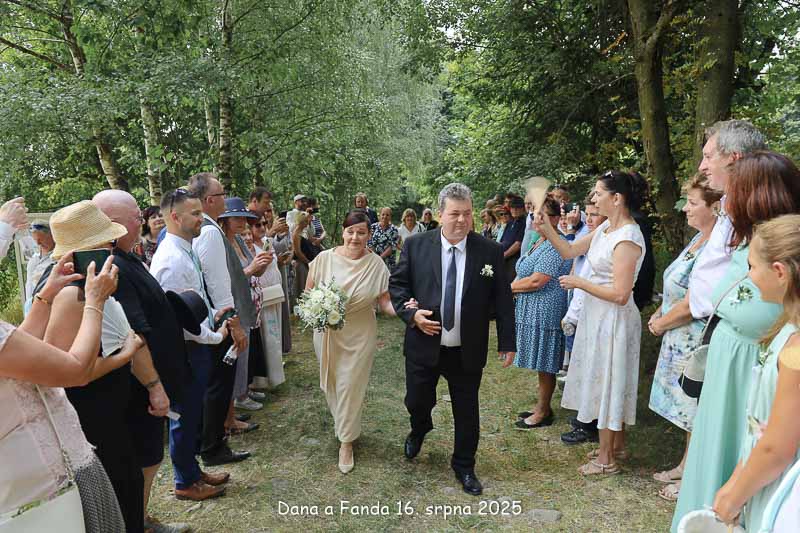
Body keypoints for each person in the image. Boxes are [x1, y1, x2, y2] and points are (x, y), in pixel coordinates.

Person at [671, 151, 800, 531]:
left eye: (733, 190)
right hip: (729, 362)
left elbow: (775, 445)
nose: (725, 200)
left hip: (748, 368)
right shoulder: (753, 240)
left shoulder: (780, 247)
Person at [389, 182, 516, 496]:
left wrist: (507, 342)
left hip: (466, 348)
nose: (462, 220)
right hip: (424, 343)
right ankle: (420, 427)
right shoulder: (416, 245)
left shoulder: (490, 251)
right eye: (455, 214)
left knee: (467, 410)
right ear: (441, 213)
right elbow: (398, 287)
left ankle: (464, 466)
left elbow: (503, 299)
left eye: (467, 214)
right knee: (416, 400)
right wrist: (412, 315)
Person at [0, 249, 134, 533]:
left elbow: (16, 352)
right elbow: (76, 370)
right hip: (41, 496)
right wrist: (95, 302)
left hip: (47, 476)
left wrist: (46, 296)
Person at [42, 201, 147, 532]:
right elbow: (64, 373)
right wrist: (123, 355)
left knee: (128, 488)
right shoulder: (71, 296)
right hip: (93, 418)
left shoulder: (88, 288)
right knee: (121, 496)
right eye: (105, 243)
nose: (111, 249)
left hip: (108, 411)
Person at [536, 170, 648, 476]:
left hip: (614, 320)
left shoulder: (627, 238)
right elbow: (571, 250)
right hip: (597, 315)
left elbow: (621, 294)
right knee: (604, 380)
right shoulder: (606, 229)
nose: (593, 198)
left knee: (609, 383)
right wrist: (547, 229)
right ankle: (617, 447)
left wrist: (579, 283)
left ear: (617, 198)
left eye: (598, 193)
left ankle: (606, 460)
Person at [93, 190, 193, 531]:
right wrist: (154, 386)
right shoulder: (114, 268)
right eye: (137, 216)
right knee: (145, 459)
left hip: (149, 383)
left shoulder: (126, 258)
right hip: (138, 389)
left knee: (149, 457)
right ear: (115, 225)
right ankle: (138, 522)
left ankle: (141, 518)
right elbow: (133, 335)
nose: (145, 221)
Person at [711, 214, 800, 530]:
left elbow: (777, 447)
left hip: (784, 491)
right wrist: (740, 475)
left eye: (751, 266)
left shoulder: (796, 351)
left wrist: (733, 496)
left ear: (780, 272)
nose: (747, 276)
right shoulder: (788, 328)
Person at [150, 188, 234, 503]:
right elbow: (181, 321)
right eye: (196, 214)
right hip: (185, 351)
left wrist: (214, 315)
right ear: (175, 217)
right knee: (184, 417)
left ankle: (193, 471)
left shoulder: (184, 249)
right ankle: (185, 480)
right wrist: (216, 336)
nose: (202, 218)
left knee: (193, 412)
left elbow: (195, 299)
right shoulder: (172, 260)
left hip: (197, 345)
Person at [647, 175, 722, 502]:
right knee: (686, 411)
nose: (685, 209)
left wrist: (661, 324)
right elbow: (677, 288)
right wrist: (660, 312)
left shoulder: (716, 247)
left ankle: (692, 477)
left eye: (693, 203)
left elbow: (694, 303)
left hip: (694, 338)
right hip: (676, 333)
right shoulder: (698, 239)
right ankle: (684, 464)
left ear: (715, 207)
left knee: (695, 410)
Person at [306, 210, 396, 473]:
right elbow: (308, 293)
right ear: (343, 232)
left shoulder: (376, 265)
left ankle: (346, 442)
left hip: (360, 334)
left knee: (350, 385)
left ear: (369, 235)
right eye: (351, 231)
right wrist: (318, 309)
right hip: (327, 334)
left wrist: (406, 311)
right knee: (333, 384)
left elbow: (385, 303)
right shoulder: (323, 259)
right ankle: (345, 426)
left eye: (361, 232)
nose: (355, 237)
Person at [186, 173, 254, 467]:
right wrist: (233, 321)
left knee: (217, 383)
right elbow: (216, 282)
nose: (226, 199)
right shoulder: (210, 232)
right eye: (222, 194)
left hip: (215, 319)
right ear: (209, 200)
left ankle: (212, 439)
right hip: (221, 321)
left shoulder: (207, 228)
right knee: (219, 383)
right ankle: (213, 446)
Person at [509, 195, 573, 429]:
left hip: (546, 309)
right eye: (535, 215)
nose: (537, 219)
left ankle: (543, 411)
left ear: (555, 219)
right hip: (533, 308)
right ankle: (541, 406)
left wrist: (506, 289)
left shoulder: (556, 244)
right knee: (540, 362)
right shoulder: (539, 240)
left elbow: (538, 280)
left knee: (545, 362)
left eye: (542, 215)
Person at [217, 198, 271, 416]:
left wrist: (262, 264)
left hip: (247, 301)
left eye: (244, 218)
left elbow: (253, 271)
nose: (242, 222)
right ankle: (237, 397)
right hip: (233, 304)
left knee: (246, 349)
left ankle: (244, 390)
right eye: (236, 218)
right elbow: (225, 279)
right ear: (225, 220)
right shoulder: (221, 244)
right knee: (237, 350)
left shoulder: (239, 240)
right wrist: (251, 269)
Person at [245, 216, 285, 389]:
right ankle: (262, 378)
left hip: (275, 292)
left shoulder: (267, 242)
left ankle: (276, 375)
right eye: (257, 225)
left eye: (264, 224)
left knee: (275, 335)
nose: (262, 227)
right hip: (262, 295)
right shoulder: (249, 248)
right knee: (266, 337)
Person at [24, 221, 55, 303]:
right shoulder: (34, 259)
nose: (38, 243)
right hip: (32, 303)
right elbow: (29, 284)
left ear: (52, 236)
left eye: (41, 239)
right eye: (35, 240)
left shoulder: (58, 257)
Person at [291, 212, 316, 308]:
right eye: (305, 221)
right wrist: (308, 262)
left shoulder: (303, 232)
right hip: (301, 264)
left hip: (306, 262)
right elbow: (297, 252)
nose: (307, 223)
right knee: (301, 286)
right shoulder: (296, 234)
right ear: (300, 222)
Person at [499, 196, 526, 281]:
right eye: (512, 208)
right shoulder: (510, 222)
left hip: (514, 259)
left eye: (517, 208)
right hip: (504, 258)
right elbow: (502, 240)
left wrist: (504, 255)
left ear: (523, 208)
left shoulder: (524, 223)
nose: (514, 210)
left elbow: (518, 244)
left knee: (509, 283)